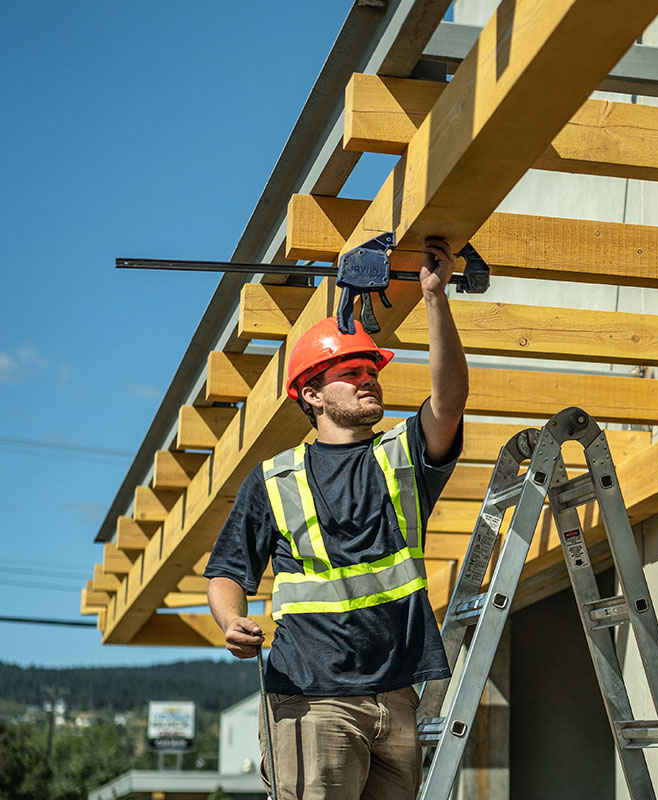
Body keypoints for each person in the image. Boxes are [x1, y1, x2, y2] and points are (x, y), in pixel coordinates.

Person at [205, 236, 468, 800]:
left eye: (372, 367)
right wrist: (230, 621)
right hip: (311, 697)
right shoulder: (274, 479)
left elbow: (447, 403)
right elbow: (227, 570)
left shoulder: (402, 457)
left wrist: (434, 298)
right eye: (350, 370)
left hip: (398, 695)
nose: (368, 377)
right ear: (313, 395)